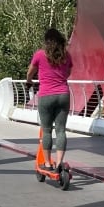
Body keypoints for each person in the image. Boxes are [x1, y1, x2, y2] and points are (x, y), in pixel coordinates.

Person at [26, 28, 73, 172]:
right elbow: (68, 73)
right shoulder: (66, 56)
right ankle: (59, 163)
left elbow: (30, 71)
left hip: (46, 95)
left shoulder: (40, 54)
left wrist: (29, 81)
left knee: (46, 131)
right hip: (63, 94)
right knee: (61, 131)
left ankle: (47, 163)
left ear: (47, 42)